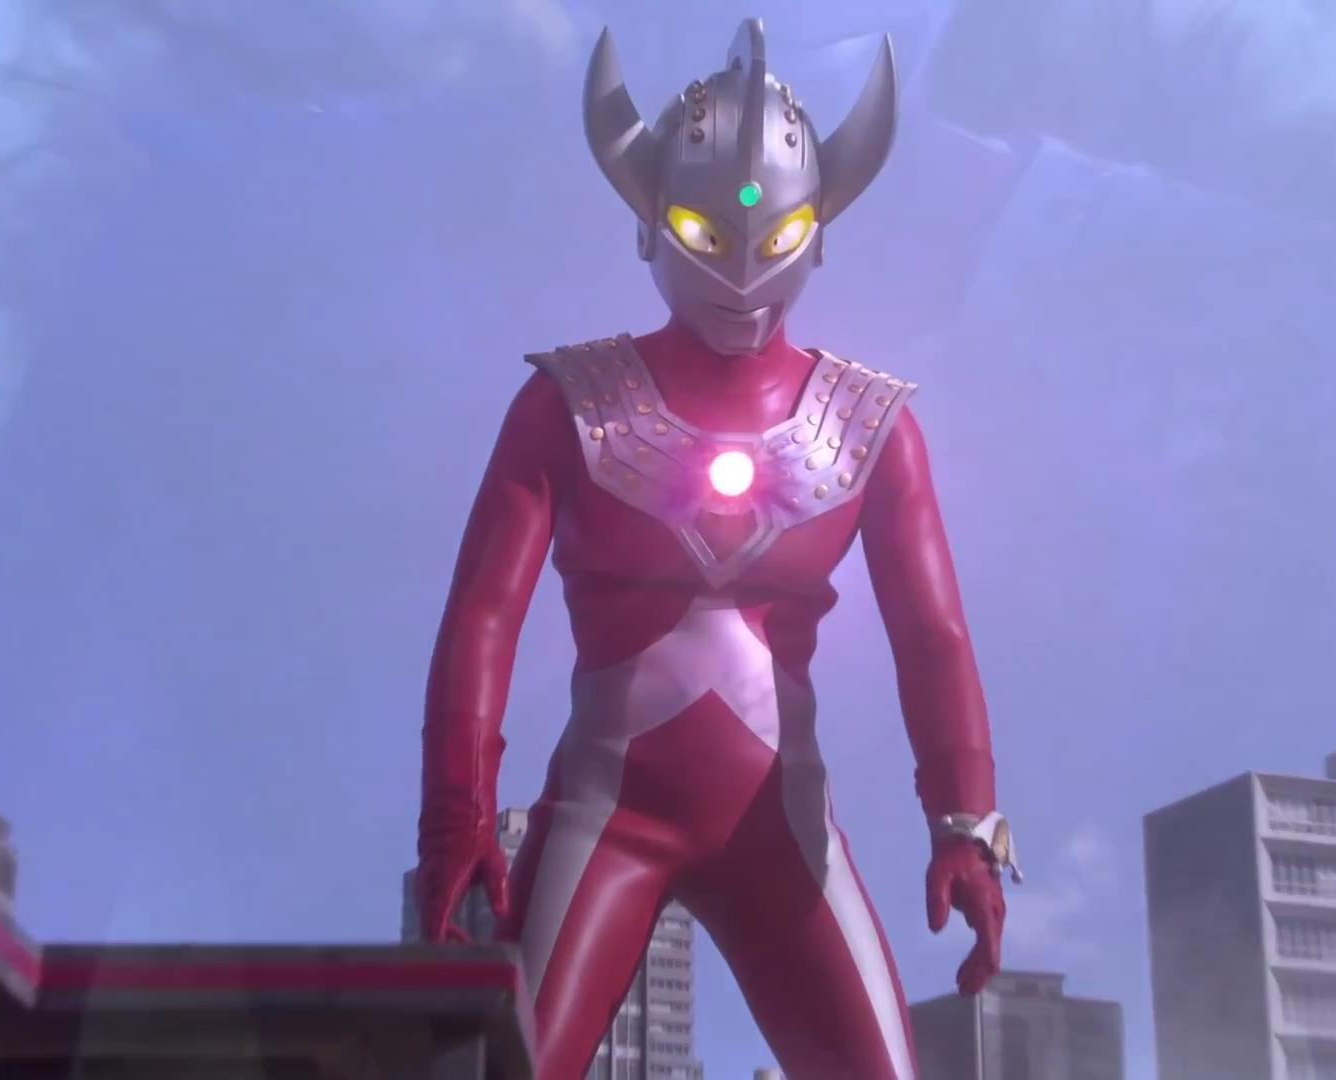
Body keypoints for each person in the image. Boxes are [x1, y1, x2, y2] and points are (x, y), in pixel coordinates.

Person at [414, 19, 1016, 1078]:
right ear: (649, 222)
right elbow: (483, 618)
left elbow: (933, 635)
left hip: (781, 828)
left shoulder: (872, 426)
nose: (740, 270)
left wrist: (965, 821)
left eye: (774, 237)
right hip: (610, 815)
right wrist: (455, 817)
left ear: (817, 232)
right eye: (703, 228)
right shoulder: (569, 404)